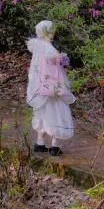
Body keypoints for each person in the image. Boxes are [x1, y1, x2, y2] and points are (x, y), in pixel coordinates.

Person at [26, 19, 75, 156]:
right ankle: (54, 146)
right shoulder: (48, 47)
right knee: (56, 112)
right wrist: (62, 58)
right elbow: (52, 58)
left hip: (38, 85)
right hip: (52, 86)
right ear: (49, 32)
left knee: (41, 112)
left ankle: (40, 143)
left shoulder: (36, 46)